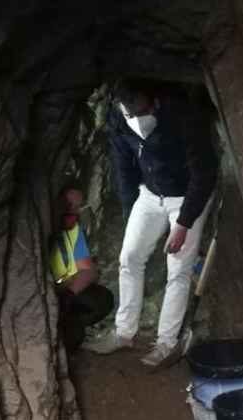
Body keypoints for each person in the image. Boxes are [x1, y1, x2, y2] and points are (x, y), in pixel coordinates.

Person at [84, 77, 218, 366]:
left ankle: (166, 343)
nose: (138, 120)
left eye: (144, 112)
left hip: (186, 196)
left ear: (155, 102)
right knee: (129, 257)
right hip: (150, 193)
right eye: (131, 113)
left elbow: (204, 174)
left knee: (179, 269)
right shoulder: (119, 120)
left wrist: (182, 225)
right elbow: (123, 169)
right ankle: (124, 333)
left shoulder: (184, 118)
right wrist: (130, 210)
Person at [49, 182, 114, 353]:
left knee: (103, 300)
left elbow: (89, 271)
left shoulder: (73, 230)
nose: (74, 211)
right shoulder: (43, 230)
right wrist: (66, 284)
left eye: (78, 207)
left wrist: (68, 293)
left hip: (66, 292)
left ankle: (67, 325)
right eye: (69, 205)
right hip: (50, 292)